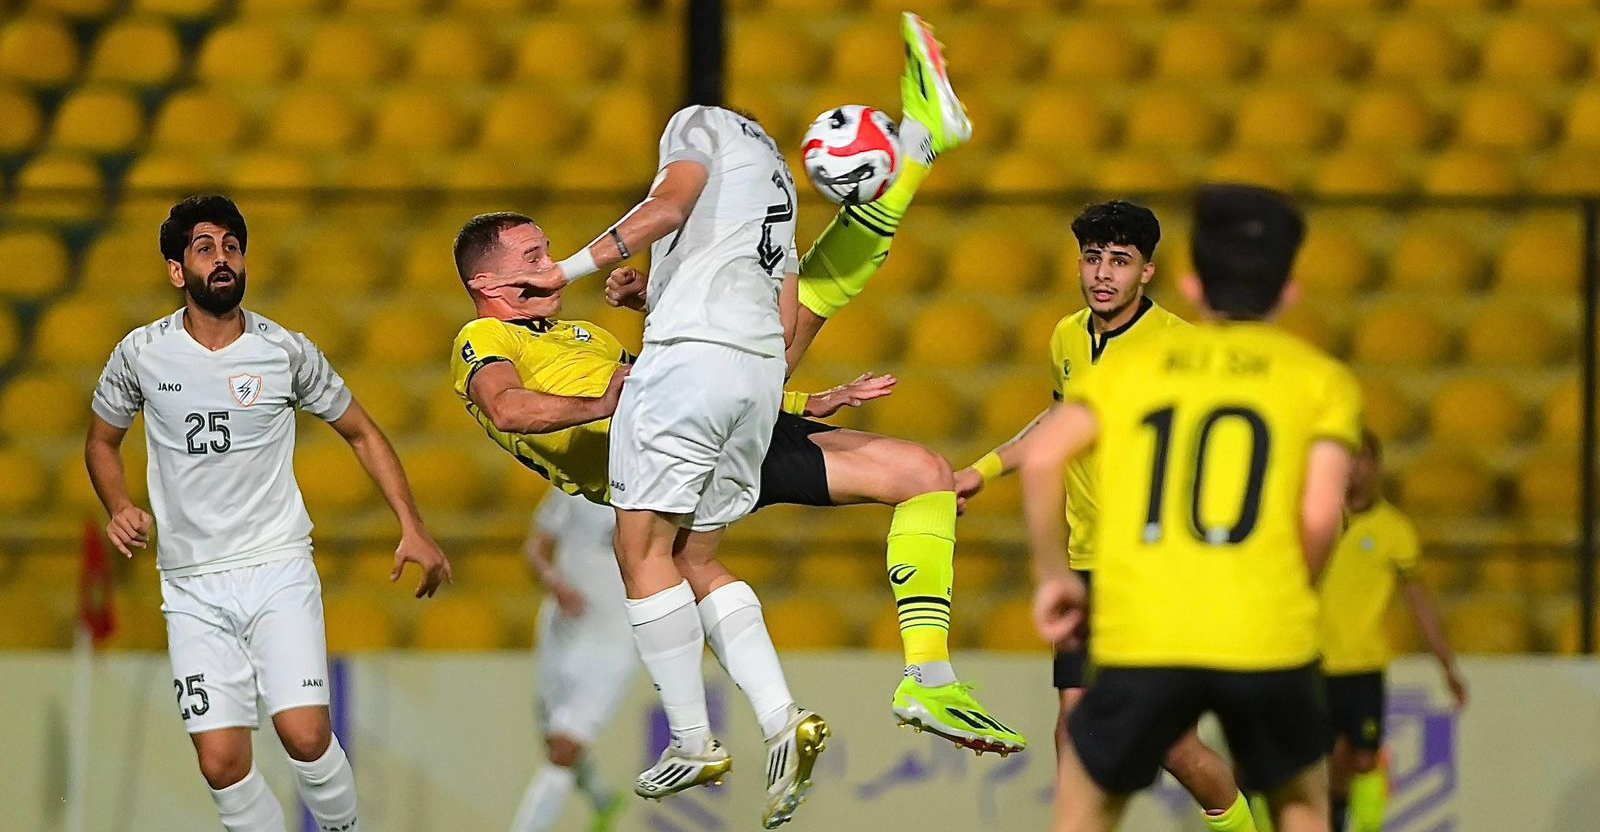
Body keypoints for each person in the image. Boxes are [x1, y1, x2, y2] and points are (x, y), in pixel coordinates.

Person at [602, 12, 1023, 756]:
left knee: (923, 476)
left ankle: (928, 678)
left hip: (737, 418)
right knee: (683, 559)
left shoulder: (724, 225)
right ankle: (920, 144)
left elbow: (772, 329)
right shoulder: (706, 216)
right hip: (689, 434)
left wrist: (648, 295)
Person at [84, 195, 451, 832]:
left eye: (232, 246)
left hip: (276, 566)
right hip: (192, 582)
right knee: (222, 762)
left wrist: (412, 526)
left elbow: (361, 431)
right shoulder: (140, 354)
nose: (223, 259)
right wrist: (118, 505)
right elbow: (100, 441)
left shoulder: (285, 351)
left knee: (305, 735)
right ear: (178, 271)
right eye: (205, 248)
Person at [1017, 184, 1360, 832]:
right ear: (1290, 292)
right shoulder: (1320, 381)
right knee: (1302, 802)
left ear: (1190, 284)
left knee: (1087, 791)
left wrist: (1053, 579)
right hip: (1262, 624)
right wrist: (1293, 590)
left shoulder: (1135, 368)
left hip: (1146, 621)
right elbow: (1321, 518)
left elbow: (1041, 459)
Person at [954, 200, 1255, 831]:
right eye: (1093, 258)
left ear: (1148, 272)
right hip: (1087, 563)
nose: (1102, 274)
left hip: (1160, 567)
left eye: (1120, 262)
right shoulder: (1068, 335)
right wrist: (983, 469)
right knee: (1073, 727)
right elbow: (1059, 420)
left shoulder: (1181, 348)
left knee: (1172, 745)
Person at [1318, 430, 1466, 832]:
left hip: (1364, 664)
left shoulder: (1393, 530)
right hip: (1313, 663)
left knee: (1364, 760)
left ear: (1377, 465)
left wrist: (1446, 664)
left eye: (1362, 459)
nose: (1354, 470)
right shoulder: (1317, 521)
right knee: (1326, 763)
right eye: (1347, 460)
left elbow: (1418, 601)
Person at [511, 489, 635, 832]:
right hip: (562, 630)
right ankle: (603, 799)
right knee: (553, 740)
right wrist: (556, 584)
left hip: (615, 641)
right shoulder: (572, 486)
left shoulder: (657, 491)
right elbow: (537, 548)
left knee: (564, 749)